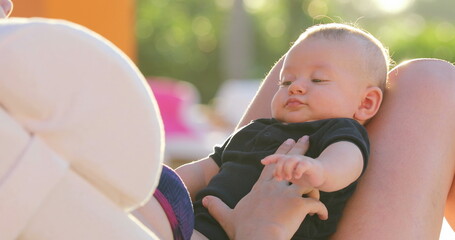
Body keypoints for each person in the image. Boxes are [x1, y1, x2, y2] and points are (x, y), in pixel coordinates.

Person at [176, 23, 390, 239]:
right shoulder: (255, 129)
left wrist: (320, 169)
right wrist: (167, 180)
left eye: (317, 79)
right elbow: (205, 171)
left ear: (366, 103)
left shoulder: (338, 130)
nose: (295, 87)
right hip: (197, 226)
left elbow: (348, 160)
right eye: (285, 81)